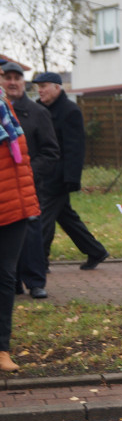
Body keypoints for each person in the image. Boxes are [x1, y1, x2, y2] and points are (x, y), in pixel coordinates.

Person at [30, 72, 109, 270]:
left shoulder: (70, 111)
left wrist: (71, 178)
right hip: (42, 174)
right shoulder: (38, 110)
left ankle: (39, 261)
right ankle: (96, 251)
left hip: (58, 177)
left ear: (57, 87)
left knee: (44, 218)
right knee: (66, 217)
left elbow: (75, 148)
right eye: (38, 86)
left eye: (44, 85)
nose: (40, 90)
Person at [3, 62, 58, 300]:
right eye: (7, 78)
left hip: (29, 186)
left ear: (23, 82)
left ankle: (36, 281)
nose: (12, 82)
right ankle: (12, 282)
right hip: (4, 191)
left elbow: (51, 152)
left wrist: (28, 173)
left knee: (32, 235)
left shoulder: (38, 113)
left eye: (17, 78)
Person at [0, 90, 38, 372]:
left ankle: (1, 349)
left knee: (5, 279)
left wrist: (26, 203)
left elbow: (20, 163)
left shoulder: (6, 107)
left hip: (14, 206)